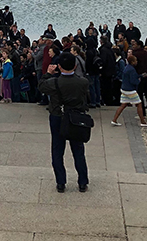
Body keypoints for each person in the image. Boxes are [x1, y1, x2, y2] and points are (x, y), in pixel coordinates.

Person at [39, 52, 90, 192]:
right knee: (78, 150)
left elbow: (41, 87)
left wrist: (48, 73)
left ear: (59, 67)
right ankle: (82, 182)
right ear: (74, 66)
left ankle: (61, 182)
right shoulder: (83, 82)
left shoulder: (54, 82)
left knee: (57, 150)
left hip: (58, 116)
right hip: (76, 117)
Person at [110, 54, 147, 127]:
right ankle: (143, 122)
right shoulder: (132, 69)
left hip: (124, 88)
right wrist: (139, 80)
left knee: (123, 105)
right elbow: (133, 81)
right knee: (139, 104)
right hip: (130, 90)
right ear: (132, 62)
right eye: (135, 61)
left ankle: (114, 120)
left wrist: (140, 75)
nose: (136, 62)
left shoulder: (126, 68)